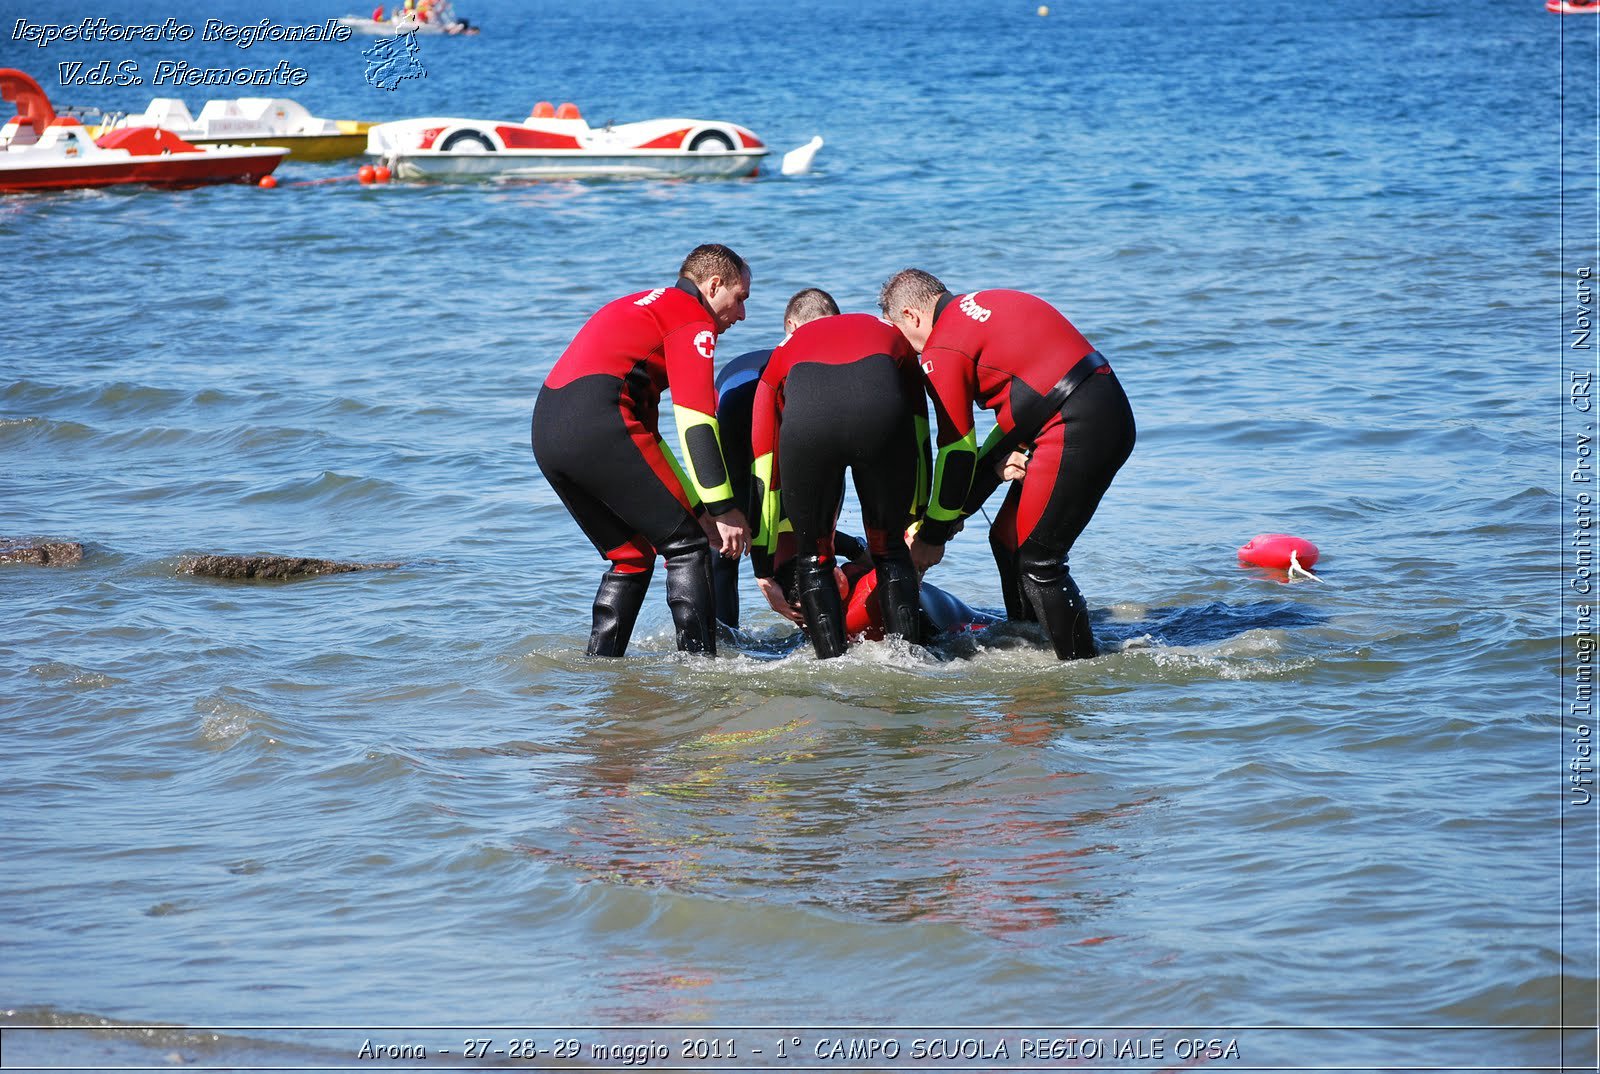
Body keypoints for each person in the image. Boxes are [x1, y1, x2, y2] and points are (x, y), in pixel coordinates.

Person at [879, 269, 1135, 660]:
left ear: (912, 315)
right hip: (1093, 406)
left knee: (1039, 560)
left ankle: (1081, 672)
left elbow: (957, 449)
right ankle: (1033, 649)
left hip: (1076, 420)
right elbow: (1017, 417)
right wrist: (952, 512)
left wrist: (933, 533)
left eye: (904, 337)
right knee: (1007, 540)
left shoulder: (942, 347)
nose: (914, 353)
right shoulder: (982, 305)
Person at [532, 244, 753, 657]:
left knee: (631, 555)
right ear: (714, 285)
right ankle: (702, 674)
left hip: (548, 430)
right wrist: (724, 508)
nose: (741, 315)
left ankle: (599, 669)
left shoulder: (638, 305)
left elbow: (648, 440)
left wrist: (697, 508)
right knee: (687, 547)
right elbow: (697, 423)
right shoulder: (690, 317)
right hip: (600, 421)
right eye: (740, 299)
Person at [749, 301, 929, 658]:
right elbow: (920, 431)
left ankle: (829, 666)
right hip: (881, 420)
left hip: (809, 429)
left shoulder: (785, 349)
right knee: (890, 549)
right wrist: (917, 520)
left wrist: (762, 567)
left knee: (814, 559)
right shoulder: (889, 331)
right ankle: (911, 660)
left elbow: (764, 463)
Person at [711, 287, 839, 628]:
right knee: (726, 543)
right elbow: (752, 481)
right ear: (790, 328)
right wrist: (763, 576)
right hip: (735, 438)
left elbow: (830, 477)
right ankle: (725, 644)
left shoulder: (828, 384)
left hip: (788, 438)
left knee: (804, 525)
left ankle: (812, 617)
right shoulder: (747, 394)